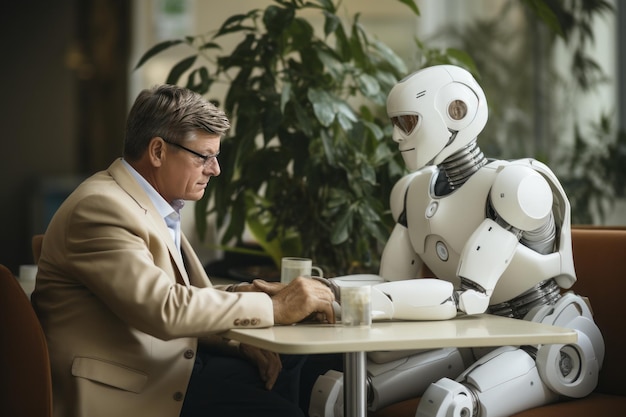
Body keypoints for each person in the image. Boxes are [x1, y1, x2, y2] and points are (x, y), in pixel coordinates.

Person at [309, 65, 604, 417]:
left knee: (450, 404)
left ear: (456, 111)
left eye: (407, 122)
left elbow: (470, 298)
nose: (397, 137)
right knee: (343, 393)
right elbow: (390, 283)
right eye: (395, 124)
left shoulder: (517, 185)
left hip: (544, 334)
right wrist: (323, 291)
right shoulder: (412, 192)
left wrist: (345, 300)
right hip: (473, 334)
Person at [31, 84, 337, 417]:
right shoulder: (101, 208)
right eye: (204, 156)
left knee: (289, 365)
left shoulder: (150, 204)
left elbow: (176, 296)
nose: (215, 169)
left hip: (167, 365)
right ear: (158, 151)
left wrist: (244, 307)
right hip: (132, 389)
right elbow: (163, 308)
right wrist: (275, 306)